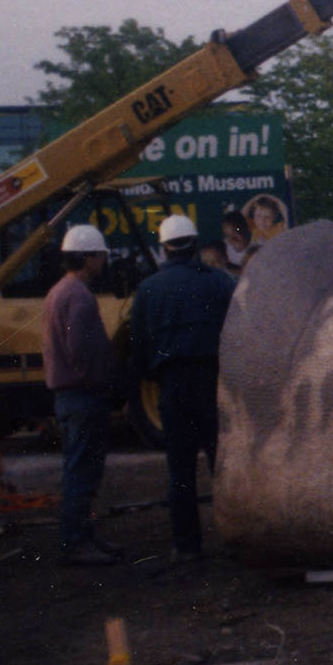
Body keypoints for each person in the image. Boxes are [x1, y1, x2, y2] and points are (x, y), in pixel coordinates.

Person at [129, 214, 236, 563]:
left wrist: (158, 377)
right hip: (211, 383)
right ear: (194, 245)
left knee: (180, 470)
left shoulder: (147, 290)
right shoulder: (220, 282)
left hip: (172, 388)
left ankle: (187, 545)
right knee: (222, 464)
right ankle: (238, 536)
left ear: (164, 248)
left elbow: (139, 350)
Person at [41, 223, 122, 565]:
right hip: (83, 396)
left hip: (70, 395)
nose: (103, 261)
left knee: (80, 469)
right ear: (88, 258)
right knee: (82, 472)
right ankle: (76, 542)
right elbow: (81, 351)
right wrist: (104, 382)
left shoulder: (60, 292)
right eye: (100, 255)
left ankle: (84, 537)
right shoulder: (79, 297)